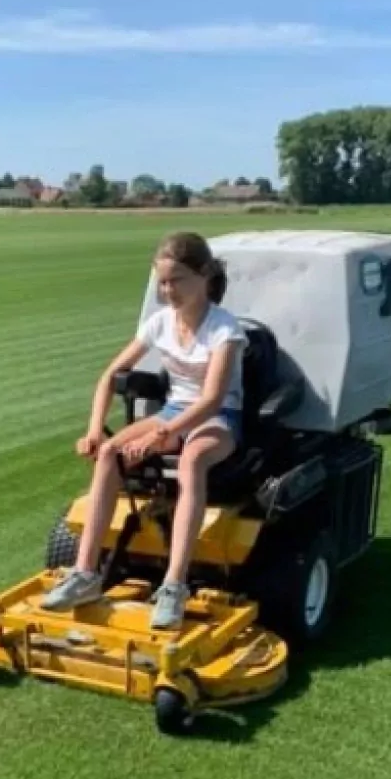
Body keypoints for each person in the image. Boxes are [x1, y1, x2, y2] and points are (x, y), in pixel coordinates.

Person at [41, 231, 247, 630]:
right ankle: (85, 574)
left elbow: (211, 399)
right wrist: (95, 430)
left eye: (176, 281)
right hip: (173, 411)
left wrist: (161, 434)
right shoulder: (159, 323)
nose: (168, 291)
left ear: (204, 275)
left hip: (218, 416)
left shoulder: (224, 330)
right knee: (108, 454)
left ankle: (174, 585)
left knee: (192, 460)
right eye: (162, 282)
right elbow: (111, 374)